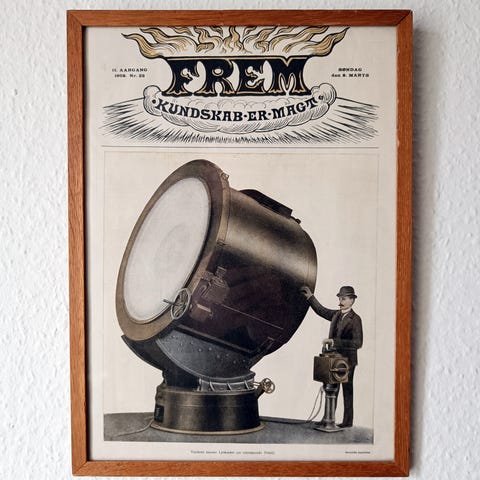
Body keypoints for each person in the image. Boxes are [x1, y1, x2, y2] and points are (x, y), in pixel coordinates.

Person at [300, 285, 363, 428]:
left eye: (344, 299)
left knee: (347, 391)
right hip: (334, 359)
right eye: (340, 298)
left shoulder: (356, 319)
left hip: (347, 362)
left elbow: (358, 343)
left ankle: (347, 422)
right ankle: (328, 418)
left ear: (352, 300)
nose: (340, 301)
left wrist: (334, 342)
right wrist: (310, 297)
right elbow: (321, 310)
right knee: (331, 388)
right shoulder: (336, 315)